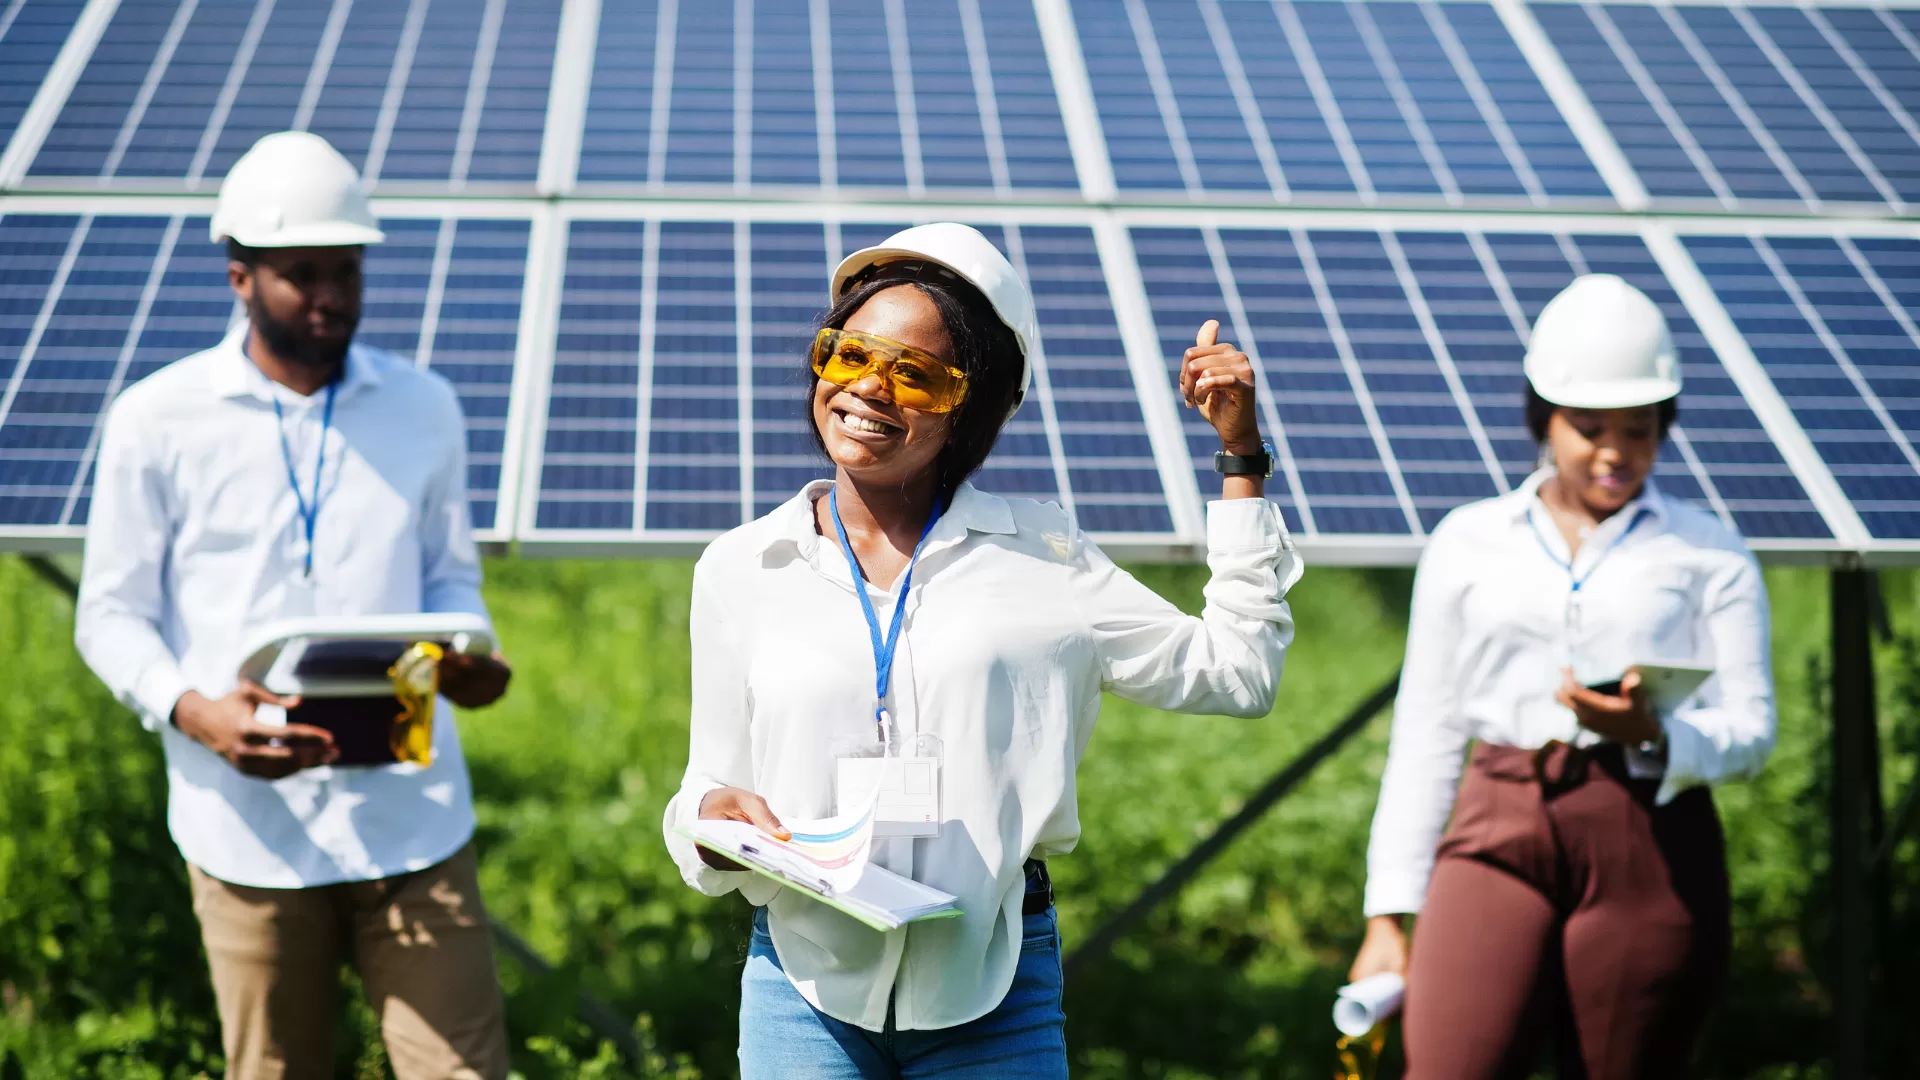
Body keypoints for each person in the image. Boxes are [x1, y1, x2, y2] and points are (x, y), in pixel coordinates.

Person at [661, 222, 1301, 1077]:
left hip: (994, 991)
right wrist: (706, 823)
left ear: (972, 402)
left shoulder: (1045, 556)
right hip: (804, 986)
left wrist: (1240, 460)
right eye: (848, 356)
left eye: (915, 374)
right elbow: (709, 783)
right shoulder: (743, 566)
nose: (868, 391)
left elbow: (1240, 672)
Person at [74, 131, 514, 1080]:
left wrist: (471, 652)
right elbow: (108, 615)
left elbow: (449, 579)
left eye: (346, 271)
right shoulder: (158, 420)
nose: (330, 297)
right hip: (245, 831)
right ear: (239, 276)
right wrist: (197, 716)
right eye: (300, 274)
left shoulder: (424, 407)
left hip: (413, 821)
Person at [1347, 274, 1776, 1078]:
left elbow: (1752, 730)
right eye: (1590, 428)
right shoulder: (1469, 541)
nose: (1615, 452)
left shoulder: (1709, 551)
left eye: (1640, 431)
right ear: (1543, 418)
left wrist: (1652, 732)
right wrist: (1387, 914)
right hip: (1496, 820)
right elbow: (1427, 731)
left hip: (1649, 835)